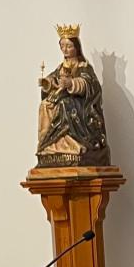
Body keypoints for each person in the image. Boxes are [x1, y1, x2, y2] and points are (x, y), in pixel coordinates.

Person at [36, 24, 109, 167]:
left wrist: (72, 84)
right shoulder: (61, 67)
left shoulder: (83, 66)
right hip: (60, 99)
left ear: (76, 47)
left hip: (80, 105)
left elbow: (91, 85)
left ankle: (72, 144)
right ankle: (50, 146)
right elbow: (53, 80)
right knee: (45, 106)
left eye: (69, 46)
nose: (65, 49)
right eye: (62, 46)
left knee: (64, 105)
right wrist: (47, 83)